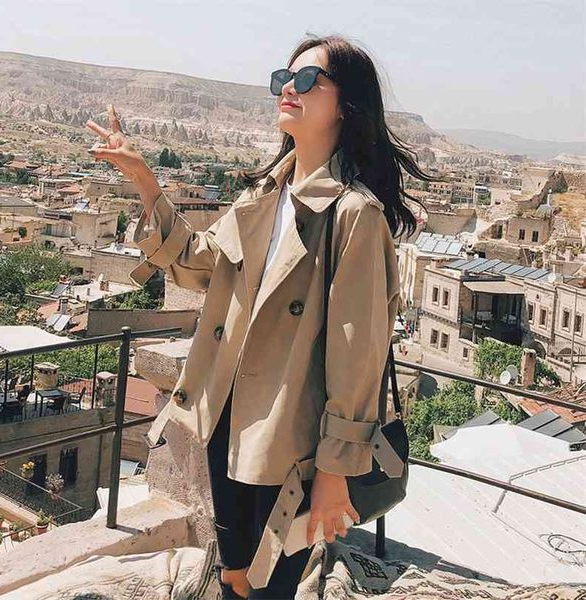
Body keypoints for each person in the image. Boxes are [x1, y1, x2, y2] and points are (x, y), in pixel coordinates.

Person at [86, 34, 435, 599]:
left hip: (291, 443)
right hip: (228, 422)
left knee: (270, 586)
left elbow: (358, 356)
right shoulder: (262, 197)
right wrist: (145, 180)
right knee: (233, 578)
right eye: (283, 79)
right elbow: (196, 265)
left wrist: (334, 471)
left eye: (307, 80)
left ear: (345, 105)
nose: (289, 89)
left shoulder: (355, 214)